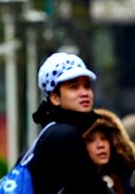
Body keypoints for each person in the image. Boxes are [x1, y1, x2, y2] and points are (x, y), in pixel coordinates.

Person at [27, 51, 111, 194]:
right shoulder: (64, 134)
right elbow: (92, 187)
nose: (84, 93)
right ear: (55, 98)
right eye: (74, 87)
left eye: (87, 86)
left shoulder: (52, 131)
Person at [83, 109, 135, 194]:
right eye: (90, 140)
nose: (100, 145)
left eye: (104, 138)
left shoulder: (126, 180)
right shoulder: (77, 185)